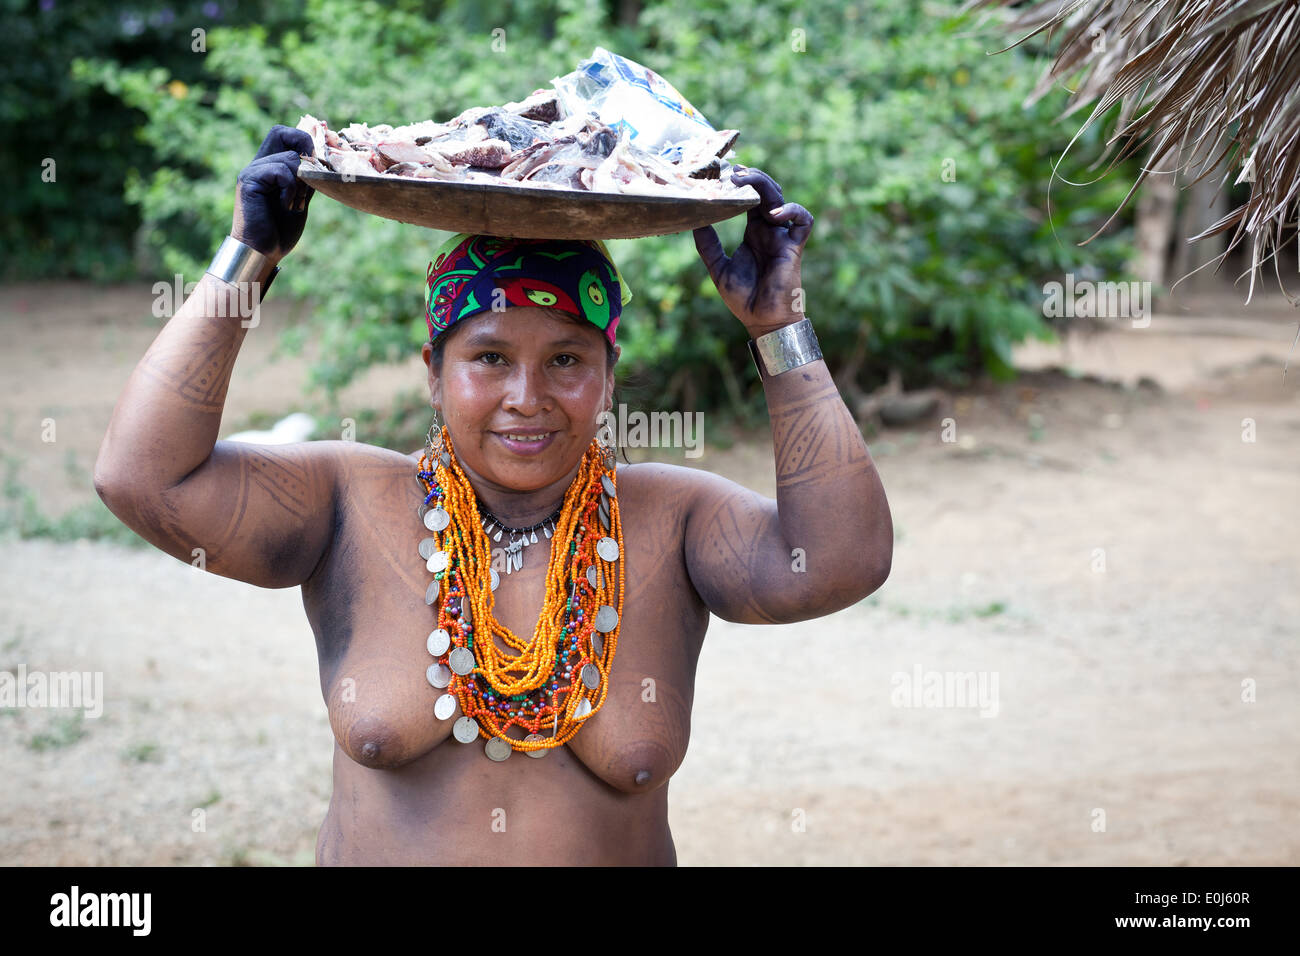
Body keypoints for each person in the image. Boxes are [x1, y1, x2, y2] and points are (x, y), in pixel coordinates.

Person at [94, 126, 893, 865]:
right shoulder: (351, 502)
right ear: (433, 375)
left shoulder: (670, 517)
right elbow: (143, 479)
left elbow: (840, 562)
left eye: (567, 361)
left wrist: (777, 326)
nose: (527, 397)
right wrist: (247, 256)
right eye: (489, 357)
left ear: (609, 379)